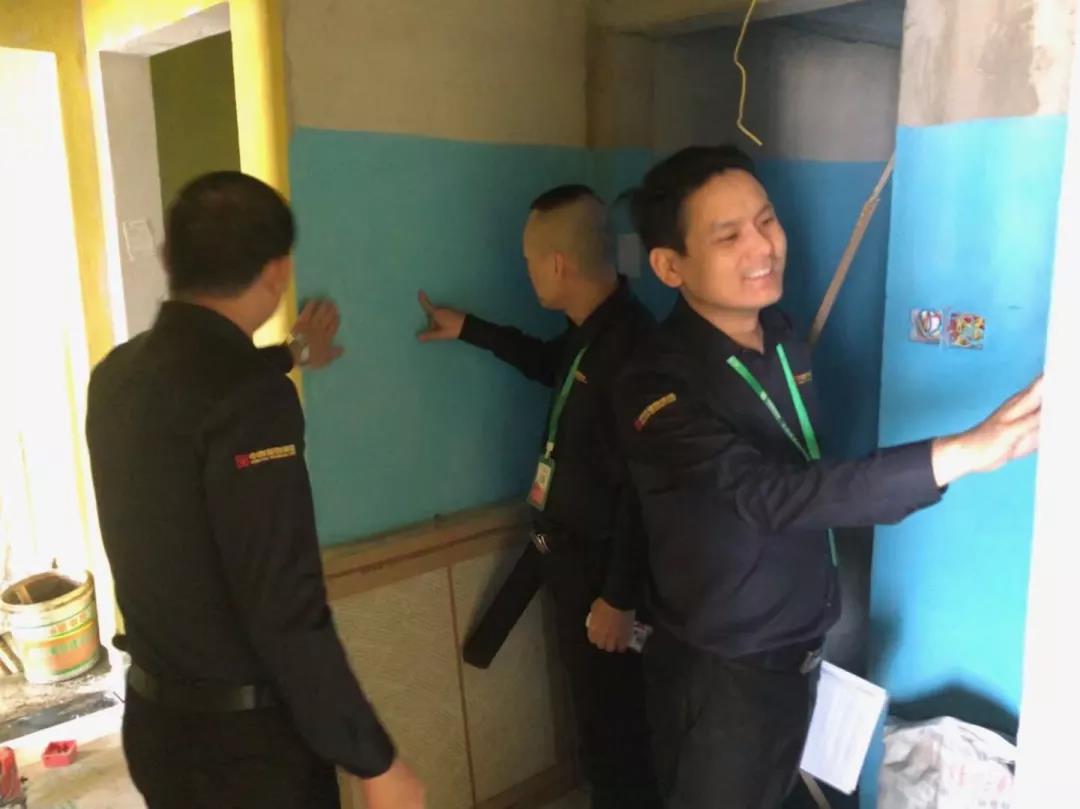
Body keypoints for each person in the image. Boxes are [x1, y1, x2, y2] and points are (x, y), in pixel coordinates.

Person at [615, 145, 1042, 809]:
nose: (762, 246)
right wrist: (962, 451)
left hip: (800, 657)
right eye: (728, 236)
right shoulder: (656, 382)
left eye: (766, 220)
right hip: (724, 678)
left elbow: (807, 475)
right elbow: (768, 494)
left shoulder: (781, 337)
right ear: (671, 266)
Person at [85, 171, 425, 809]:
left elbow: (195, 395)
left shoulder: (116, 377)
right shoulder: (251, 401)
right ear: (277, 272)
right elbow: (284, 605)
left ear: (169, 257)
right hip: (244, 758)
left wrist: (288, 355)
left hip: (156, 729)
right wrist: (372, 759)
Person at [417, 185, 661, 809]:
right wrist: (469, 329)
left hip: (608, 580)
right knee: (596, 728)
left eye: (528, 261)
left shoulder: (634, 349)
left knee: (621, 737)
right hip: (574, 565)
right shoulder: (589, 333)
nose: (525, 272)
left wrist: (619, 597)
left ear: (557, 264)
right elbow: (551, 364)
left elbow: (647, 488)